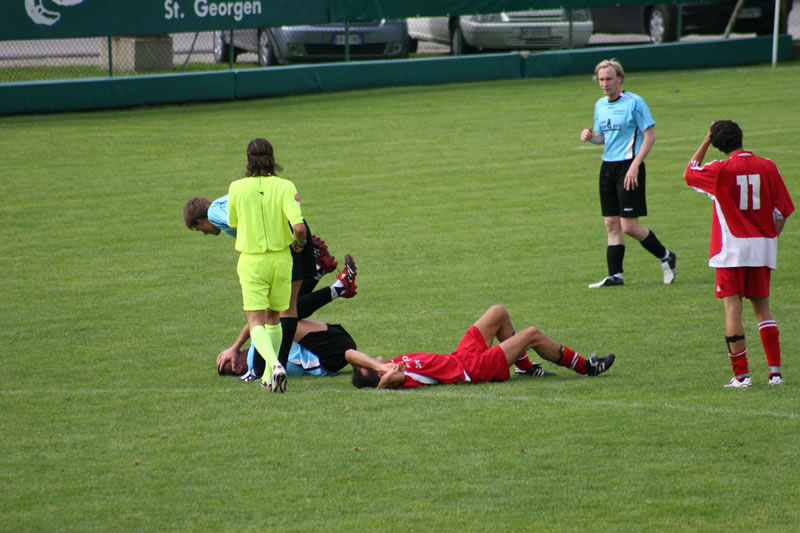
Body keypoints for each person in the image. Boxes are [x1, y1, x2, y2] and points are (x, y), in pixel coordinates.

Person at [183, 195, 358, 379]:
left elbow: (249, 223)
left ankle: (332, 283)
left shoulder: (214, 213)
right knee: (284, 308)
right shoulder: (229, 198)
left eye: (199, 229)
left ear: (200, 220)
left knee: (281, 312)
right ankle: (320, 272)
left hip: (279, 242)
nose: (204, 233)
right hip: (290, 230)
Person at [684, 120, 794, 388]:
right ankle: (775, 373)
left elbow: (690, 173)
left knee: (733, 309)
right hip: (763, 248)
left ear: (718, 144)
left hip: (731, 251)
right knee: (763, 309)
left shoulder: (720, 170)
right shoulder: (768, 166)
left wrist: (705, 140)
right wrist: (769, 237)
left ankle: (742, 376)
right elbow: (785, 210)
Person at [346, 305, 615, 389]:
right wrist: (383, 378)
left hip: (461, 356)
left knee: (498, 312)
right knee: (532, 334)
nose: (371, 357)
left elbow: (350, 354)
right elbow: (392, 380)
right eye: (370, 364)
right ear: (376, 375)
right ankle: (585, 367)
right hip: (472, 370)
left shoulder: (388, 364)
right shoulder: (397, 377)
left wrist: (379, 366)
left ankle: (525, 369)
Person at [580, 58, 677, 288]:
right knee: (611, 223)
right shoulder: (600, 105)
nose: (604, 83)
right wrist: (590, 138)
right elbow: (604, 137)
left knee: (629, 226)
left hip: (629, 167)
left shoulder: (635, 103)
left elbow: (649, 135)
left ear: (619, 79)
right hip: (608, 167)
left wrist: (635, 164)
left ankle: (666, 256)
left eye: (609, 79)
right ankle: (615, 276)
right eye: (601, 79)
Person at [226, 137, 308, 393]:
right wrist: (298, 246)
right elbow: (299, 228)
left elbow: (233, 223)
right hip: (281, 259)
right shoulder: (285, 186)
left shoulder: (237, 188)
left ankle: (273, 366)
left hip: (252, 261)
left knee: (255, 320)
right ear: (273, 158)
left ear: (248, 159)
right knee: (274, 318)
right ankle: (266, 377)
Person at [218, 319, 357, 378]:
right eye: (239, 353)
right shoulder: (253, 358)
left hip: (331, 362)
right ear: (239, 368)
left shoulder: (262, 368)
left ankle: (326, 280)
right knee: (280, 315)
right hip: (327, 351)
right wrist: (235, 347)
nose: (243, 350)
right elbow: (257, 320)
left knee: (286, 313)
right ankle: (332, 288)